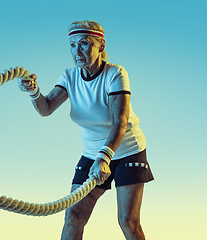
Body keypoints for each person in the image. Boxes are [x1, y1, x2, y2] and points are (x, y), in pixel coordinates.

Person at [18, 20, 154, 240]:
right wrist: (34, 92)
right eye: (72, 45)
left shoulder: (116, 74)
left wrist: (104, 157)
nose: (76, 51)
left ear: (100, 46)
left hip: (127, 150)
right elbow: (46, 108)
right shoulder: (69, 76)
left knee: (128, 221)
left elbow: (119, 121)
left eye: (83, 44)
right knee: (74, 216)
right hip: (92, 153)